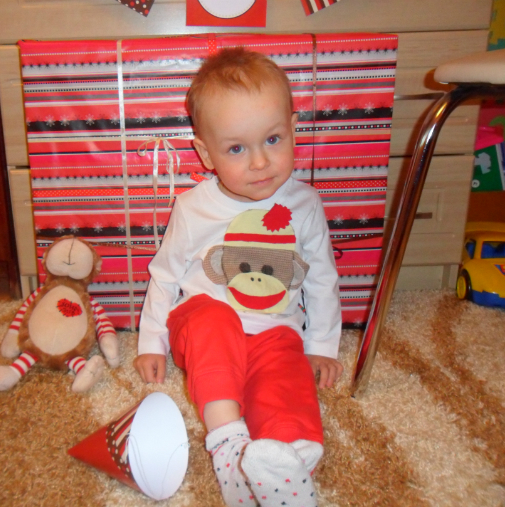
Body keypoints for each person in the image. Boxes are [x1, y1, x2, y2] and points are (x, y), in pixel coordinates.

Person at [134, 47, 343, 507]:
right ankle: (228, 443)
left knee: (286, 381)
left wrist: (321, 345)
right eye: (236, 149)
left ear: (293, 129)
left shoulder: (305, 205)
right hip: (204, 323)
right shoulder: (193, 207)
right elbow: (165, 275)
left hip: (274, 333)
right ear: (206, 154)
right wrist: (152, 341)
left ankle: (287, 464)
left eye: (273, 139)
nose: (260, 162)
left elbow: (321, 279)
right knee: (214, 323)